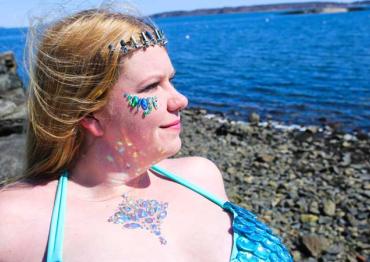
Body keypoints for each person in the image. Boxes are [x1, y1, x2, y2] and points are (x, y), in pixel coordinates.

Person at [0, 8, 293, 262]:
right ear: (89, 116)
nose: (181, 100)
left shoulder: (201, 177)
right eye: (151, 86)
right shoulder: (17, 222)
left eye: (171, 81)